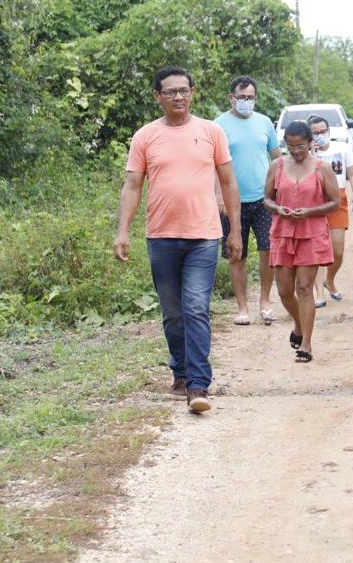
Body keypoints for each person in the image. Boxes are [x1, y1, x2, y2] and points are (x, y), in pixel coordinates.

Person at [114, 67, 242, 415]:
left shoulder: (211, 132)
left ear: (193, 93)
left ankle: (198, 384)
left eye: (184, 91)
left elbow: (229, 183)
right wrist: (122, 231)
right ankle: (181, 373)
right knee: (173, 314)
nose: (178, 97)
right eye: (170, 92)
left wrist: (234, 230)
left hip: (203, 235)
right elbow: (133, 185)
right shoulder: (145, 137)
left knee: (196, 308)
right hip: (162, 237)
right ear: (157, 96)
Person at [264, 121, 340, 363]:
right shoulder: (276, 166)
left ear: (310, 143)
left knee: (304, 288)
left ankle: (306, 343)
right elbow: (267, 198)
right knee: (285, 290)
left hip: (312, 232)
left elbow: (334, 202)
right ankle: (298, 323)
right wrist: (278, 208)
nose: (296, 151)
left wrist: (309, 211)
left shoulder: (322, 168)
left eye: (301, 146)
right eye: (291, 146)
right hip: (283, 232)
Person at [214, 76, 281, 326]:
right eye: (241, 97)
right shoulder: (218, 125)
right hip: (232, 202)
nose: (246, 102)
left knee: (268, 249)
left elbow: (276, 157)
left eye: (250, 97)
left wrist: (281, 187)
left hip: (263, 199)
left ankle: (265, 301)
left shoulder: (265, 123)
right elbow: (212, 164)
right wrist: (217, 194)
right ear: (231, 98)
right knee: (236, 253)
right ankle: (242, 307)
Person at [309, 115, 353, 308]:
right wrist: (311, 155)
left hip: (337, 200)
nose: (321, 135)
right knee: (317, 251)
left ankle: (329, 279)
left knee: (337, 251)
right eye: (316, 132)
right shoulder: (306, 154)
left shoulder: (342, 148)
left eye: (323, 131)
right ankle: (319, 294)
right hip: (314, 203)